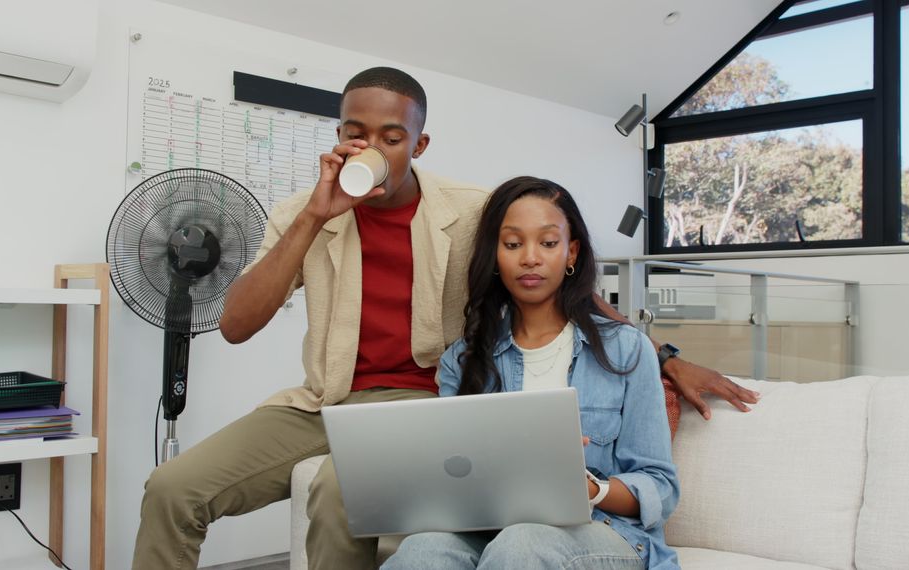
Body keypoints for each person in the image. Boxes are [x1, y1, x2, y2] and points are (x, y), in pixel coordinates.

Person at [131, 67, 754, 570]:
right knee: (172, 488)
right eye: (355, 132)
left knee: (334, 489)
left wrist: (665, 356)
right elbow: (237, 324)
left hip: (417, 399)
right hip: (323, 398)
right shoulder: (306, 211)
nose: (369, 149)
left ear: (418, 144)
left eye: (390, 137)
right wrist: (314, 217)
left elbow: (554, 279)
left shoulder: (473, 210)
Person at [381, 176, 680, 570]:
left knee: (521, 545)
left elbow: (660, 484)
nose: (530, 258)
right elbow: (452, 479)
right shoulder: (464, 359)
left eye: (549, 243)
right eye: (513, 243)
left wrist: (590, 488)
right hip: (489, 530)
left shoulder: (627, 349)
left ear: (571, 253)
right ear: (495, 255)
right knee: (422, 551)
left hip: (605, 529)